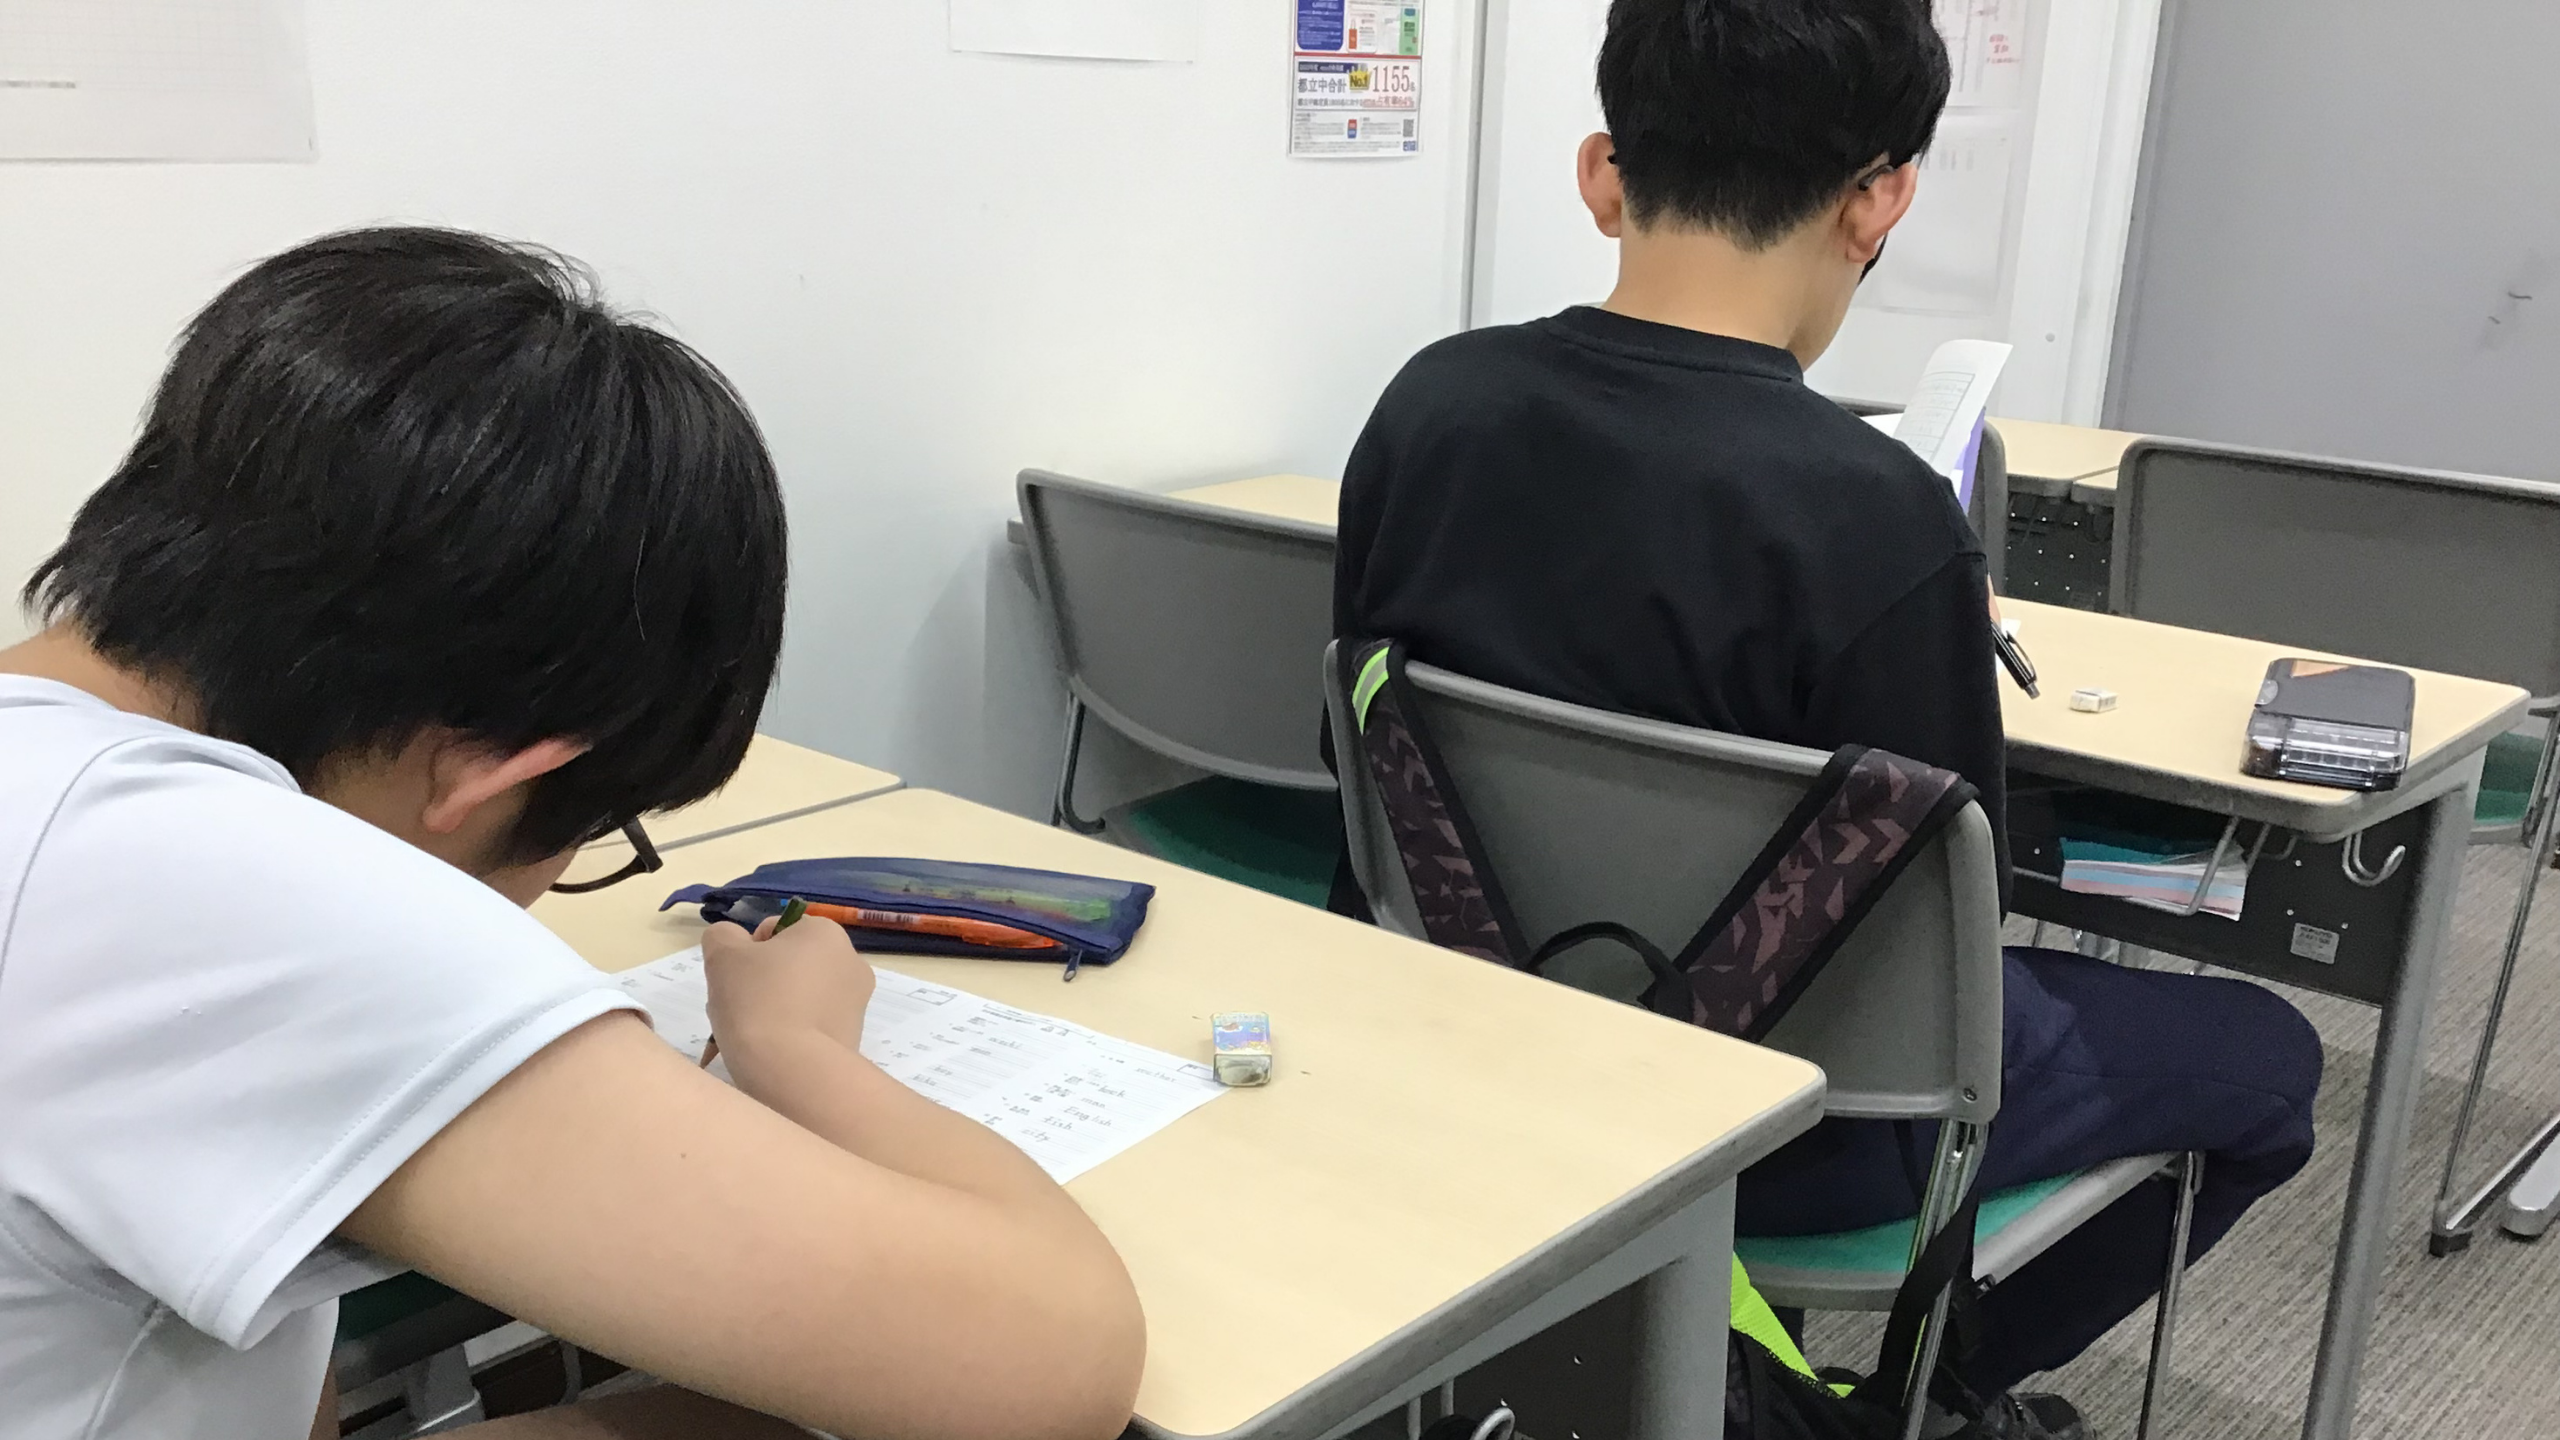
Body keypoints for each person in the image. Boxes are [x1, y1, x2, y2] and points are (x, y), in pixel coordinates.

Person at [1331, 1, 2321, 1433]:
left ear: (1603, 172)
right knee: (2269, 1064)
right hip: (1791, 1127)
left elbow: (1361, 763)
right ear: (1878, 201)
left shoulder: (1428, 407)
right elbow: (1945, 939)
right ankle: (1918, 1398)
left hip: (1481, 1040)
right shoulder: (1881, 519)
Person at [0, 228, 1144, 1440]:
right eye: (596, 832)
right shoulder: (222, 889)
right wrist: (796, 1046)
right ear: (491, 768)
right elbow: (1053, 1368)